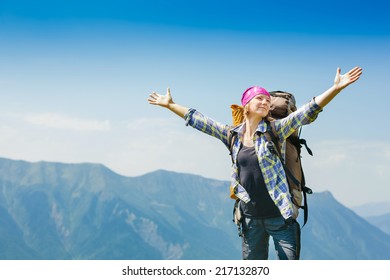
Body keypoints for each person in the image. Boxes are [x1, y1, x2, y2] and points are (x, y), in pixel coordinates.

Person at [147, 66, 363, 260]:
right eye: (259, 98)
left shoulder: (275, 132)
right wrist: (171, 105)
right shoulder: (232, 135)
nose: (265, 102)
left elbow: (307, 112)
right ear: (246, 105)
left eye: (268, 101)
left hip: (281, 218)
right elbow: (200, 121)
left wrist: (335, 89)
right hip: (250, 220)